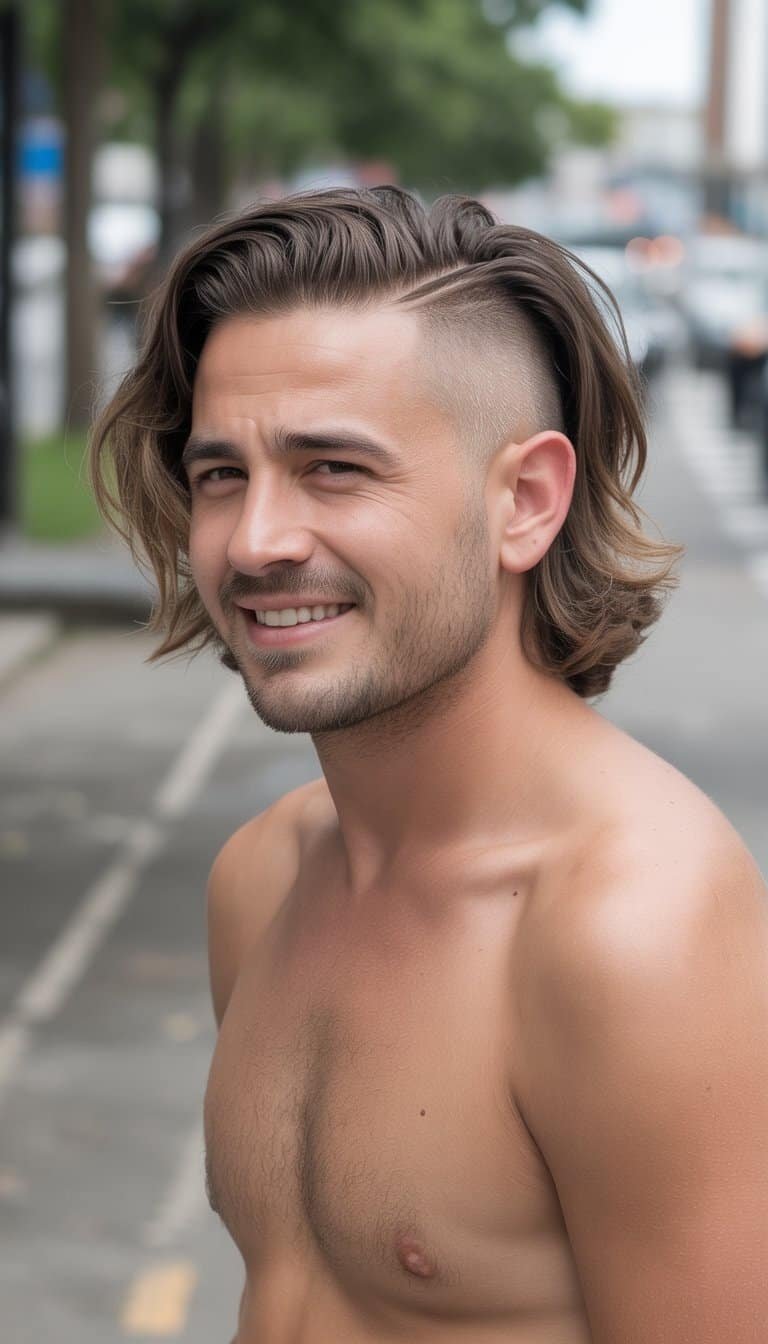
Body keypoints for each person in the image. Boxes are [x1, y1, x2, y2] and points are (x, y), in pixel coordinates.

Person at [90, 187, 768, 1343]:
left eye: (335, 469)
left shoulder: (629, 931)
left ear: (526, 501)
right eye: (221, 476)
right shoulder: (263, 879)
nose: (257, 541)